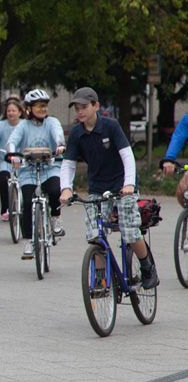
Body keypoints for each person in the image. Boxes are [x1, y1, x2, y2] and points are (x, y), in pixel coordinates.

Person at [60, 86, 159, 289]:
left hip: (122, 185)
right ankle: (100, 277)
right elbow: (68, 164)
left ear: (95, 106)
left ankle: (147, 266)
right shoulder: (77, 133)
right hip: (97, 187)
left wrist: (129, 184)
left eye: (84, 106)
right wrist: (66, 189)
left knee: (130, 231)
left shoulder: (110, 126)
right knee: (95, 234)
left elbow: (127, 155)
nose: (80, 111)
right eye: (76, 107)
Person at [6, 89, 66, 259]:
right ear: (29, 108)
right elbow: (12, 141)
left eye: (45, 106)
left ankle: (55, 219)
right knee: (26, 200)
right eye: (39, 106)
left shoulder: (52, 122)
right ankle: (29, 241)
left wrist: (60, 145)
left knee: (55, 189)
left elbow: (58, 135)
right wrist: (11, 154)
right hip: (28, 170)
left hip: (50, 167)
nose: (43, 109)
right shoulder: (23, 126)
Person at [0, 96, 25, 221]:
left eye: (14, 110)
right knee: (4, 180)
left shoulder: (25, 124)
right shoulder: (1, 125)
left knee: (27, 184)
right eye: (9, 111)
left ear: (20, 112)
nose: (11, 113)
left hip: (23, 161)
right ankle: (5, 209)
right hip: (6, 161)